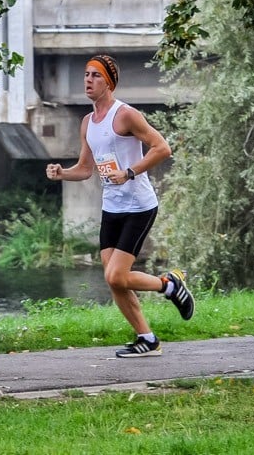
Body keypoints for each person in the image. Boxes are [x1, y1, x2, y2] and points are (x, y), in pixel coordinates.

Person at [45, 54, 194, 358]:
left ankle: (169, 284)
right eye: (86, 74)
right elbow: (85, 169)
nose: (88, 80)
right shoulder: (87, 123)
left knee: (116, 276)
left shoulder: (125, 115)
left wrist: (129, 172)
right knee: (114, 280)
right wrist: (62, 173)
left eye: (96, 75)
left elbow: (162, 148)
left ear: (109, 83)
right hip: (112, 208)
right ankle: (147, 339)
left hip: (139, 206)